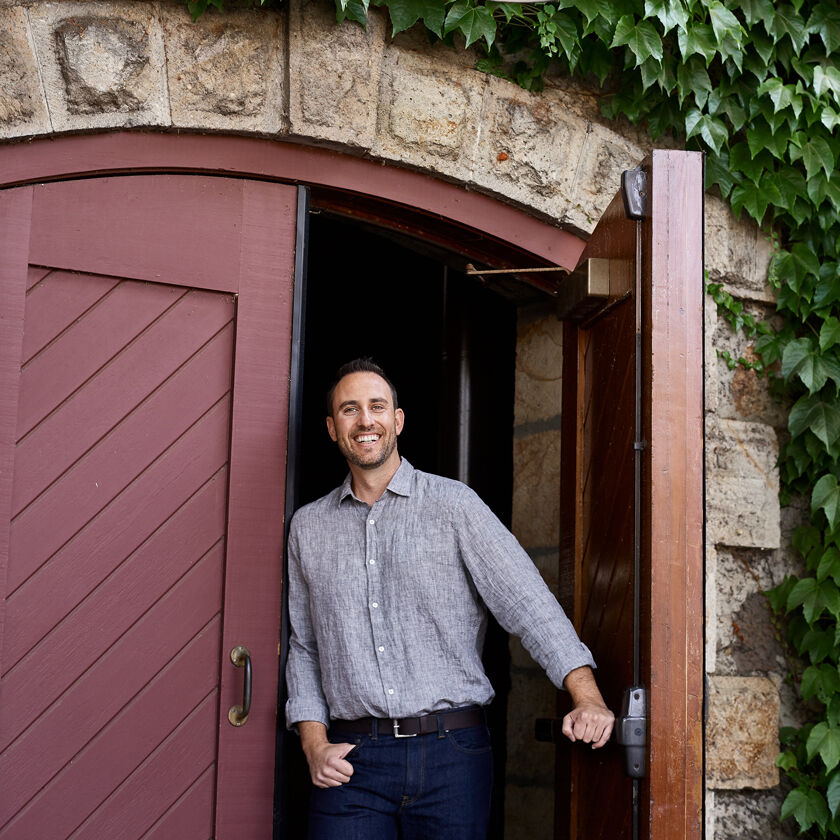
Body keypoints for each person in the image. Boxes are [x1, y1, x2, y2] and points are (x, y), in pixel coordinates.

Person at [286, 358, 614, 839]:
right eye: (350, 410)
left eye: (377, 406)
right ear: (333, 428)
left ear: (397, 420)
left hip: (451, 756)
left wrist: (588, 698)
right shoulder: (308, 527)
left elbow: (528, 604)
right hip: (352, 760)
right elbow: (306, 646)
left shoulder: (455, 505)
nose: (365, 420)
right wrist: (314, 744)